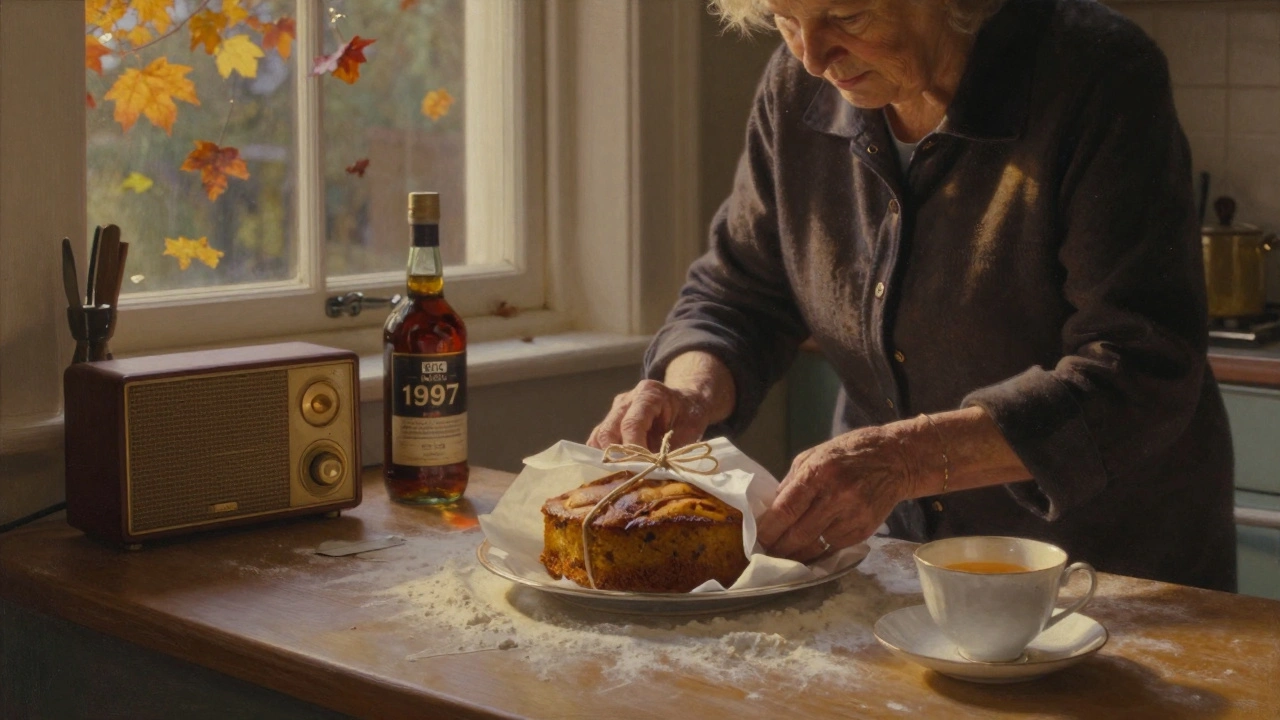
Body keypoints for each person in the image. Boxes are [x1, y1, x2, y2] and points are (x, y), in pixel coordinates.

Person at [586, 0, 1237, 592]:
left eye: (847, 15)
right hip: (895, 565)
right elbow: (739, 292)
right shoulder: (797, 89)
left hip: (1102, 574)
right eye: (785, 18)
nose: (811, 55)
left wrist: (899, 461)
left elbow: (1141, 368)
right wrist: (691, 389)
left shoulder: (1095, 75)